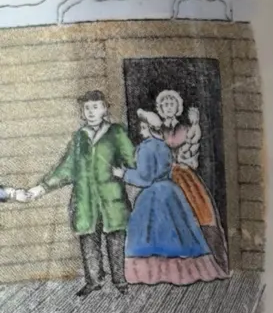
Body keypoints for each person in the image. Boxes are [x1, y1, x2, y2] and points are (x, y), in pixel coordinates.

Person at [28, 91, 136, 298]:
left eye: (95, 107)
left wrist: (125, 171)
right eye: (87, 108)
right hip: (85, 199)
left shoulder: (116, 132)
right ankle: (94, 280)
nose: (91, 112)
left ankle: (120, 281)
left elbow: (131, 158)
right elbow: (66, 168)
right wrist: (42, 187)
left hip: (111, 199)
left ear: (105, 109)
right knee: (88, 240)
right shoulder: (79, 137)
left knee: (115, 239)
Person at [116, 110, 227, 286]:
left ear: (148, 128)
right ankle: (186, 270)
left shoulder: (146, 148)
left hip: (153, 195)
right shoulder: (163, 146)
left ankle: (152, 272)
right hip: (171, 191)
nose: (141, 129)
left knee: (149, 233)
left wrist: (123, 174)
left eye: (143, 126)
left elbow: (145, 177)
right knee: (180, 231)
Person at [155, 89, 229, 273]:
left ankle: (208, 261)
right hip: (163, 177)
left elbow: (176, 144)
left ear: (178, 108)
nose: (168, 107)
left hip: (183, 176)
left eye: (172, 104)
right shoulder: (156, 129)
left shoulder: (185, 129)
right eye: (165, 104)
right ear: (160, 109)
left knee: (199, 211)